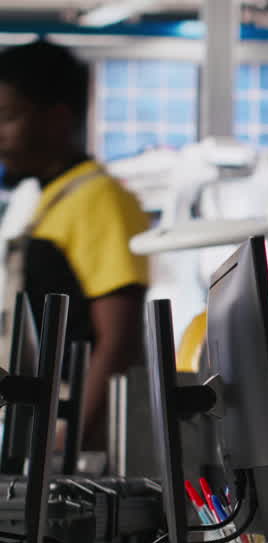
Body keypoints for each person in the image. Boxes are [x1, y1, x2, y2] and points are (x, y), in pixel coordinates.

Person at [0, 40, 150, 451]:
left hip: (70, 435)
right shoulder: (52, 199)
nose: (0, 135)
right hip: (40, 422)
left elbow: (119, 340)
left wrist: (67, 446)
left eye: (7, 117)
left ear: (57, 118)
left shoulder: (99, 199)